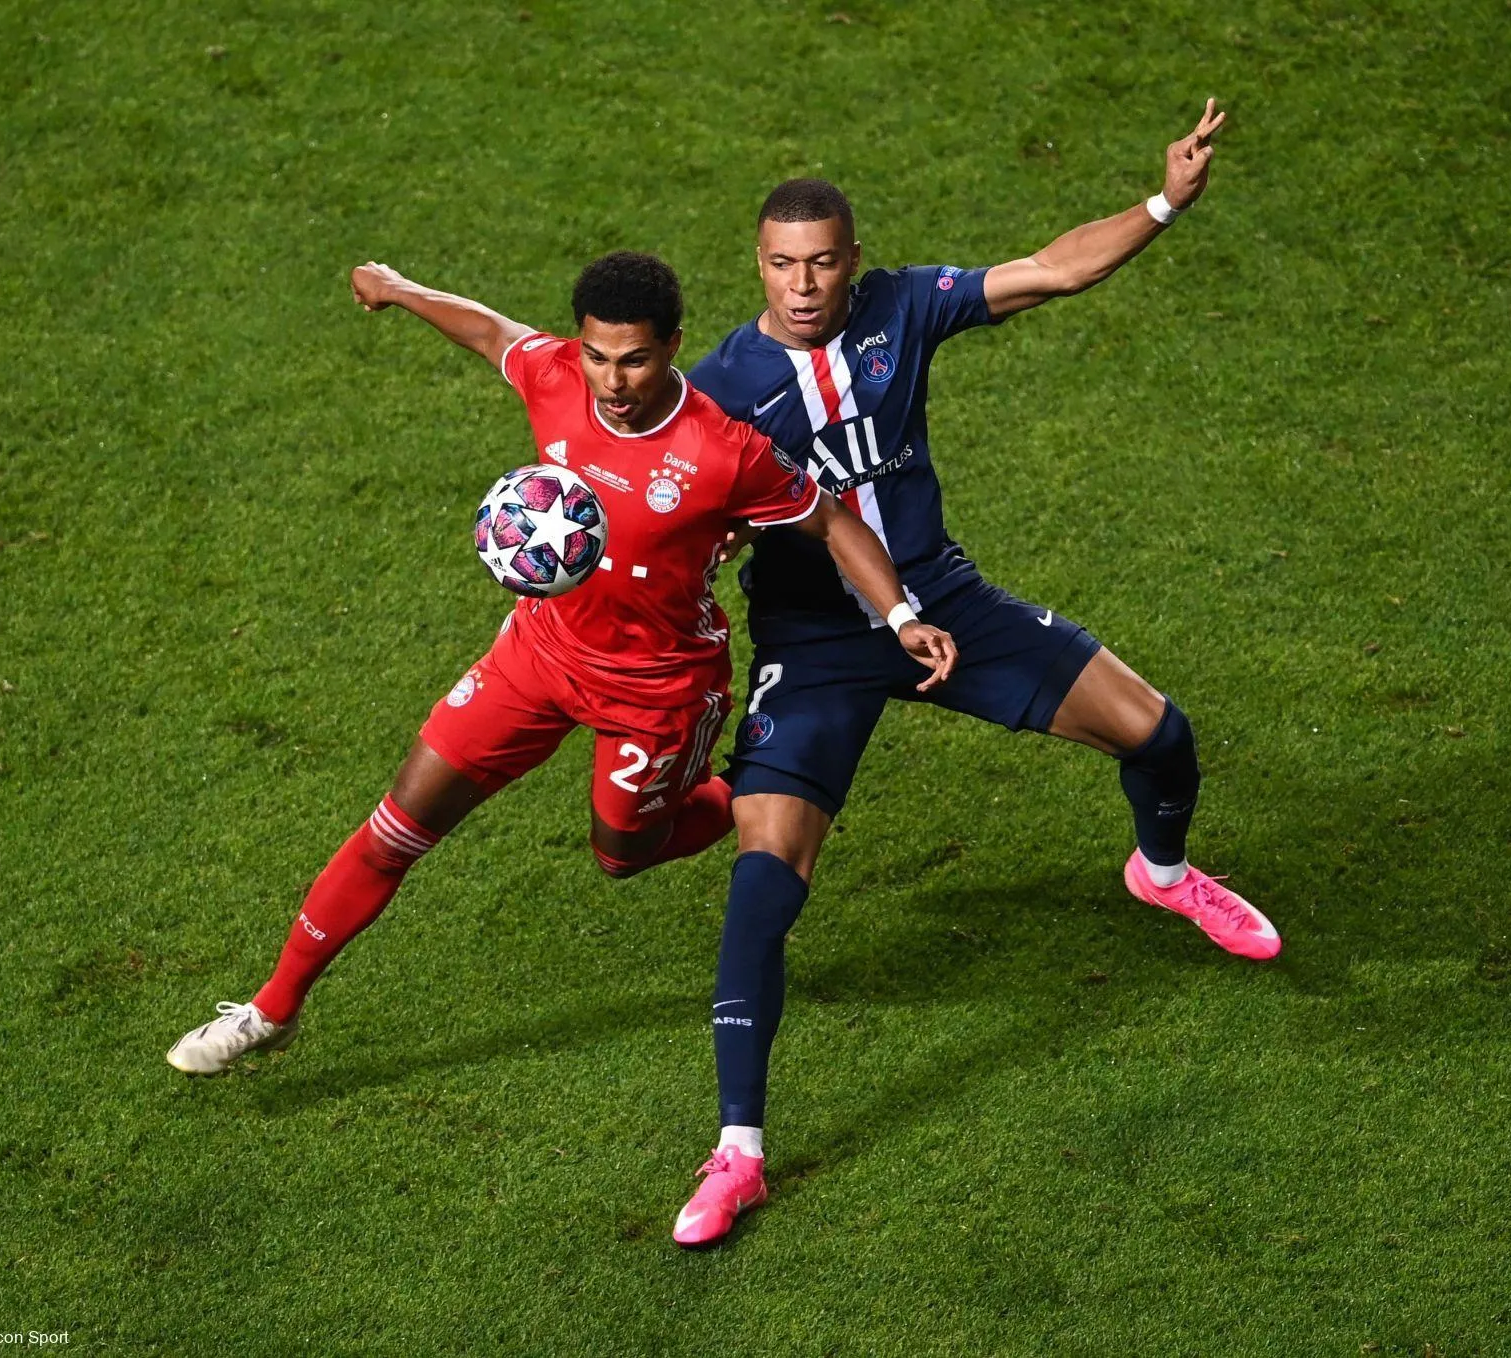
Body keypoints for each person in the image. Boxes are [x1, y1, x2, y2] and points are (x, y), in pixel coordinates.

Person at [668, 101, 1275, 1247]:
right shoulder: (720, 389)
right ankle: (737, 1150)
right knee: (761, 886)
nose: (802, 285)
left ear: (853, 260)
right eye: (781, 265)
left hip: (941, 596)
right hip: (815, 644)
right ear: (757, 264)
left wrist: (1161, 202)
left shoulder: (902, 307)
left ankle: (1161, 870)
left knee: (1158, 731)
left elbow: (1048, 270)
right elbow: (698, 530)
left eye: (822, 263)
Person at [167, 251, 956, 1076]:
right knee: (398, 823)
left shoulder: (724, 451)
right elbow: (486, 330)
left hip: (659, 692)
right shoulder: (554, 378)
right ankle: (271, 1009)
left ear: (673, 346)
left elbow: (829, 523)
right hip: (537, 659)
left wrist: (899, 616)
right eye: (598, 356)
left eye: (635, 359)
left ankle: (756, 790)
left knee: (622, 854)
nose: (612, 381)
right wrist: (399, 289)